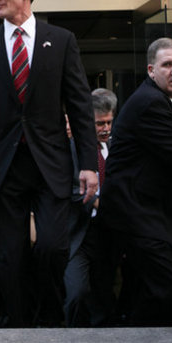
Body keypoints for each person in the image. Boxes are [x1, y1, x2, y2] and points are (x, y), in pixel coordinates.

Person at [0, 0, 98, 327]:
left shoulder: (62, 40)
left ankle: (51, 319)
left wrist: (88, 163)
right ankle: (18, 323)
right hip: (5, 168)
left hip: (51, 165)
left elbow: (80, 105)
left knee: (54, 247)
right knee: (11, 254)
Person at [97, 37, 172, 327]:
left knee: (142, 291)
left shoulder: (154, 99)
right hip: (137, 215)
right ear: (150, 70)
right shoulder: (151, 103)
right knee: (166, 288)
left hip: (140, 212)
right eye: (167, 64)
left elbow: (152, 161)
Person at [64, 88, 117, 327]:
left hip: (108, 233)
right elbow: (70, 188)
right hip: (79, 232)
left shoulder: (116, 148)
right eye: (99, 124)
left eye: (109, 122)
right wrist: (99, 203)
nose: (106, 128)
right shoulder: (71, 148)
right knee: (76, 292)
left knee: (104, 293)